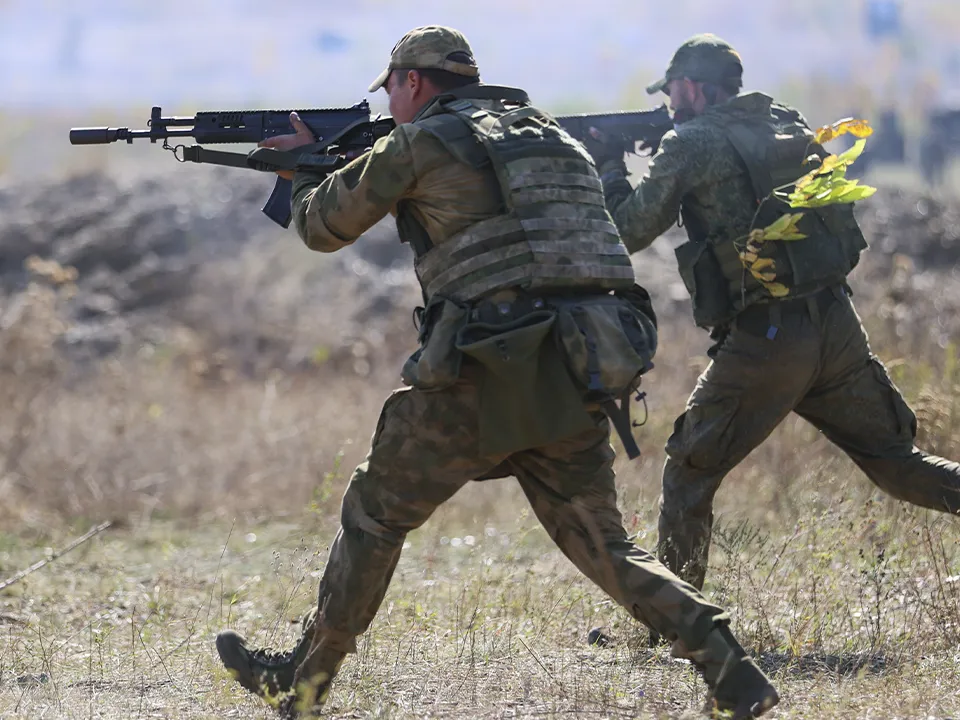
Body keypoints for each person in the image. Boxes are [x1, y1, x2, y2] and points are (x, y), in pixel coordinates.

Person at [214, 25, 779, 720]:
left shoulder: (418, 142)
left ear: (413, 83)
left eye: (391, 88)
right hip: (581, 365)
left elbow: (323, 227)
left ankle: (302, 689)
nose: (389, 103)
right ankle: (731, 667)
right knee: (604, 545)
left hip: (484, 368)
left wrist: (299, 166)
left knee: (374, 514)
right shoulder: (549, 137)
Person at [586, 33, 960, 598]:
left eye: (673, 91)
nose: (670, 102)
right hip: (834, 323)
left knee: (689, 468)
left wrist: (610, 165)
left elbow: (629, 232)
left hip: (767, 339)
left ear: (691, 85)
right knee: (897, 463)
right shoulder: (782, 120)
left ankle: (677, 624)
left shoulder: (689, 142)